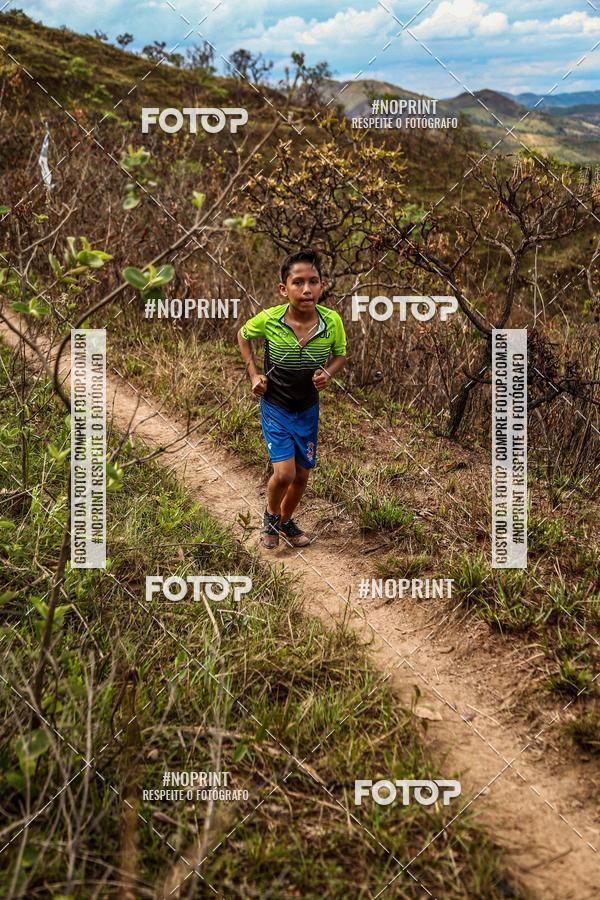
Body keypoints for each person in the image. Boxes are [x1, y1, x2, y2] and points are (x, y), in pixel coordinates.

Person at [237, 249, 347, 548]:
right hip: (276, 406)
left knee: (301, 475)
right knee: (284, 473)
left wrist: (328, 372)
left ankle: (285, 521)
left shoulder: (331, 321)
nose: (306, 289)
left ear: (322, 286)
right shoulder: (270, 319)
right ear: (284, 289)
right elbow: (243, 336)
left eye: (313, 281)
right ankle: (271, 516)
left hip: (307, 408)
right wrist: (254, 375)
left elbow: (340, 354)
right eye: (298, 282)